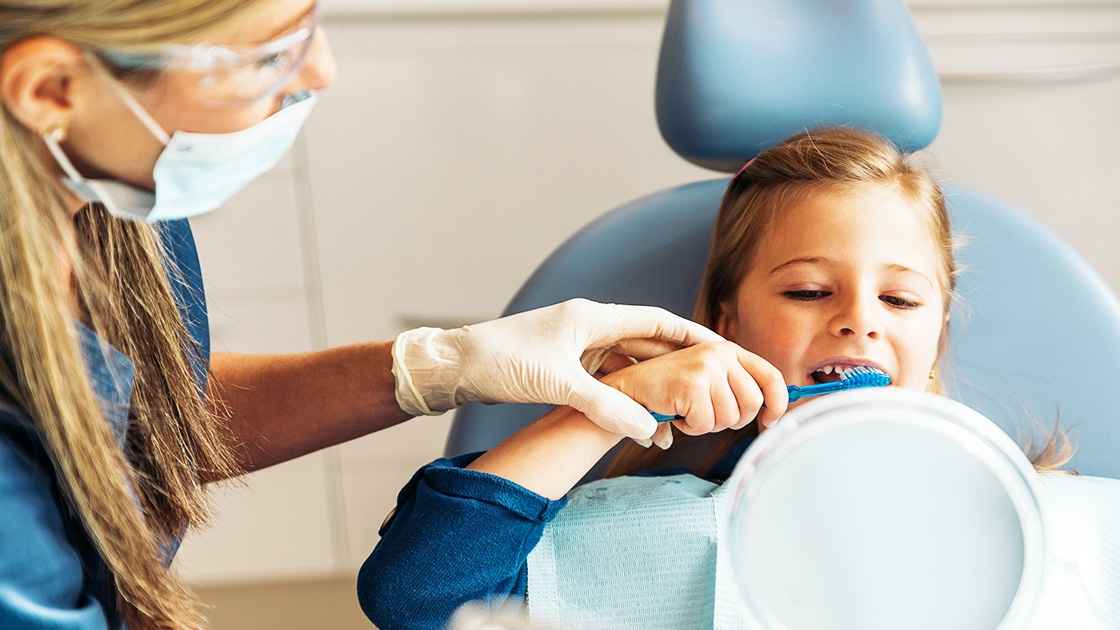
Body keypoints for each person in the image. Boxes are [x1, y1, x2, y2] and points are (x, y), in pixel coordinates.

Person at [0, 1, 728, 628]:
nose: (321, 69)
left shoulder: (110, 188)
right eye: (270, 55)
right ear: (52, 89)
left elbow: (137, 416)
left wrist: (439, 367)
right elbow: (420, 591)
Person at [357, 126, 1065, 629]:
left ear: (936, 336)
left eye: (901, 299)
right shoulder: (663, 526)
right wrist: (610, 405)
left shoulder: (1042, 519)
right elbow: (418, 597)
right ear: (725, 327)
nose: (860, 321)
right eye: (808, 292)